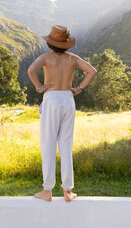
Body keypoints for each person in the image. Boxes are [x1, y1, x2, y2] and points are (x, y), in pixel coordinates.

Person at [27, 25, 97, 202]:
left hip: (51, 98)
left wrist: (39, 87)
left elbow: (31, 70)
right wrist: (79, 88)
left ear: (50, 44)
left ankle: (47, 191)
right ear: (66, 44)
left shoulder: (46, 58)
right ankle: (68, 191)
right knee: (66, 145)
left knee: (48, 144)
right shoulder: (73, 58)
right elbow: (92, 71)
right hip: (68, 98)